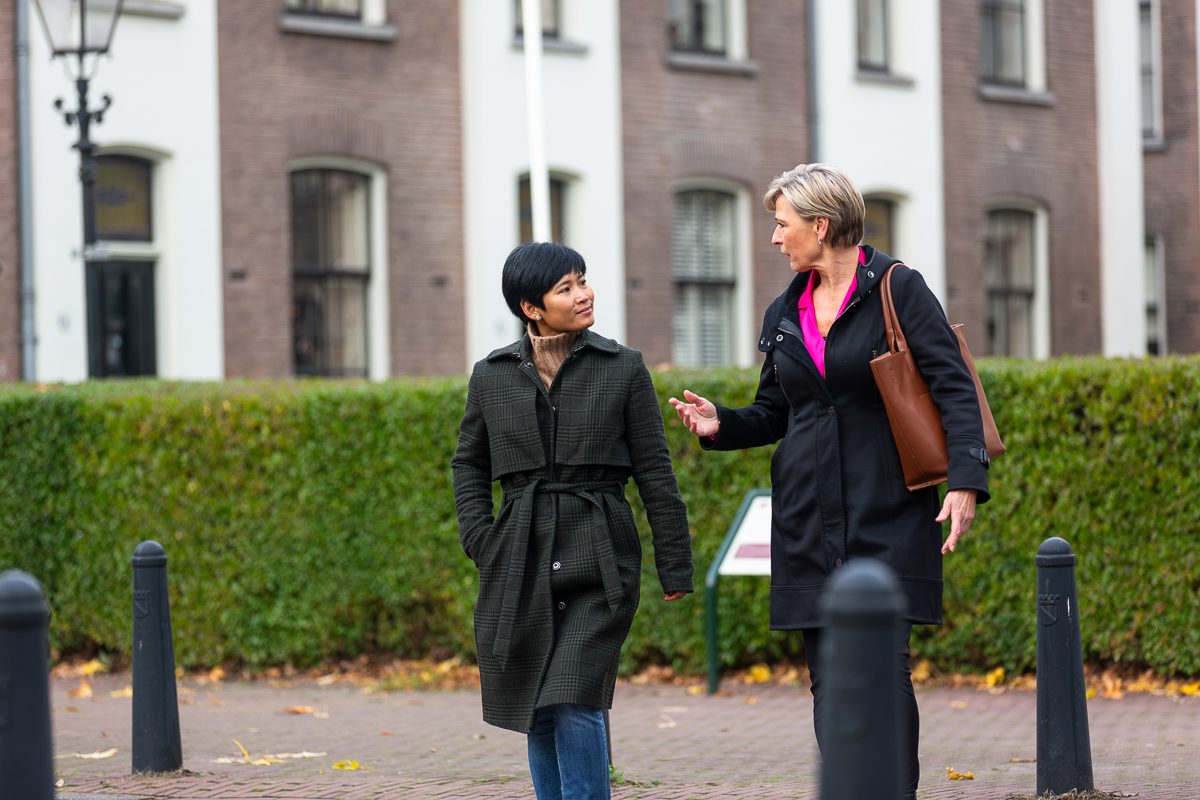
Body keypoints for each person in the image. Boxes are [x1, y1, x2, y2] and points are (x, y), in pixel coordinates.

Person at [668, 163, 990, 800]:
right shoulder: (784, 309)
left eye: (782, 224)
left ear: (821, 225)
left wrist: (964, 481)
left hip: (889, 504)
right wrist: (719, 424)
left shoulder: (899, 287)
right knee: (828, 675)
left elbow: (953, 386)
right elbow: (774, 412)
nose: (774, 238)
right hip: (808, 512)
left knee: (883, 665)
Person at [452, 241, 693, 800]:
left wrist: (674, 564)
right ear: (531, 307)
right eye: (565, 287)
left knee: (575, 695)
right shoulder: (491, 375)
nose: (584, 294)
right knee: (535, 704)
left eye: (582, 280)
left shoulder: (624, 367)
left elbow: (655, 471)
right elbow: (469, 463)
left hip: (601, 553)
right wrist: (480, 538)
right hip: (519, 554)